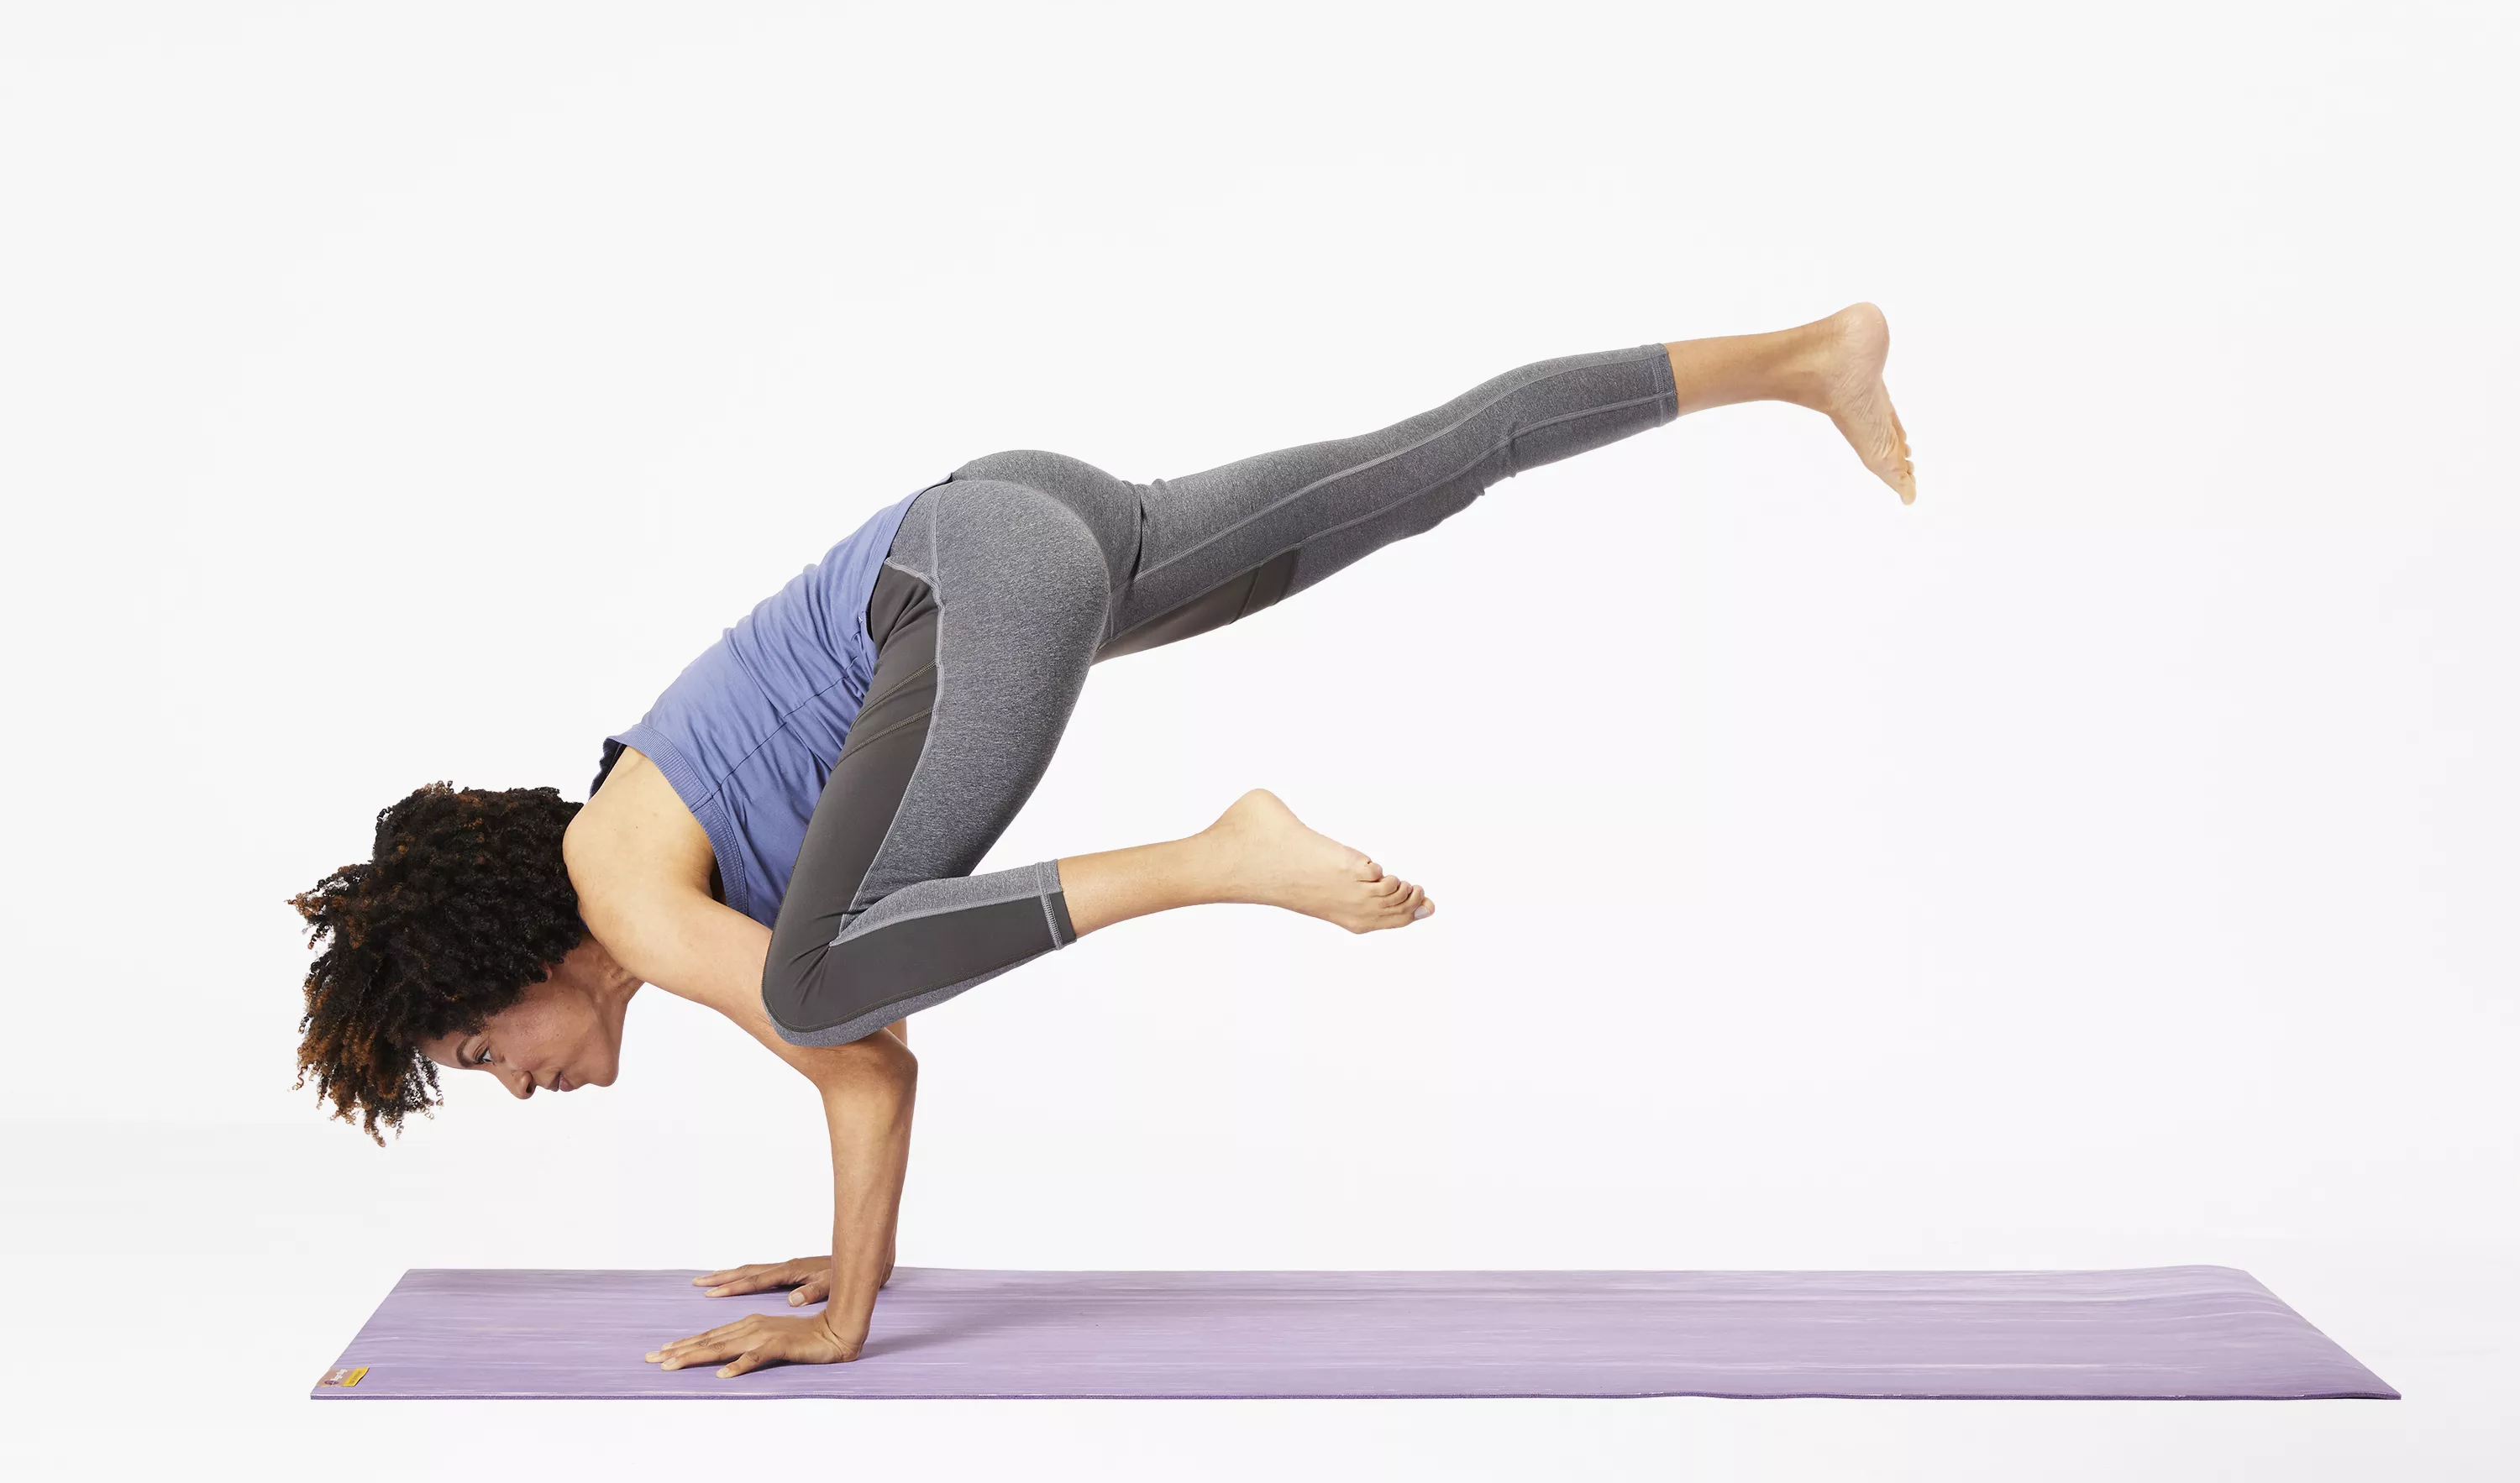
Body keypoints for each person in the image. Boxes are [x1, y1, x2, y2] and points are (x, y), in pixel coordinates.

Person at [289, 303, 1914, 1378]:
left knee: (823, 976)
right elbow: (873, 1042)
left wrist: (845, 1323)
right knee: (1420, 467)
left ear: (498, 965)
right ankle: (1804, 357)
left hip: (973, 586)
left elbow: (844, 1038)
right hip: (1017, 516)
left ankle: (1222, 852)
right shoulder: (656, 867)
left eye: (478, 1048)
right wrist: (850, 1267)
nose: (516, 1080)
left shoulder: (621, 893)